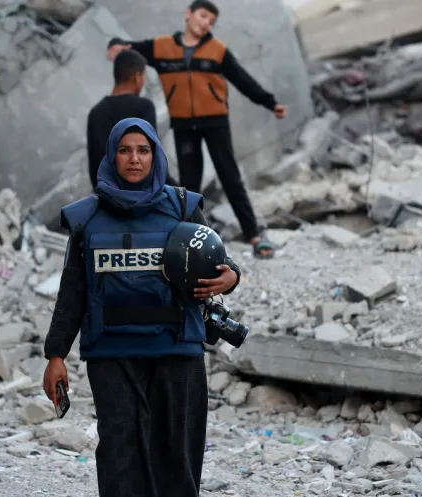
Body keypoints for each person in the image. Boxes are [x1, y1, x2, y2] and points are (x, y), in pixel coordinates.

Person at [42, 117, 242, 497]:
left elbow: (221, 262)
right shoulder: (87, 218)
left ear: (155, 156)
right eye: (124, 150)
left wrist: (230, 277)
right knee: (120, 453)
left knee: (177, 455)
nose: (134, 159)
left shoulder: (182, 206)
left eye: (143, 150)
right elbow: (73, 288)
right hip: (112, 354)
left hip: (176, 350)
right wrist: (56, 354)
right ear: (112, 156)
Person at [105, 0, 287, 259]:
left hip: (215, 122)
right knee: (189, 185)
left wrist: (271, 103)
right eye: (203, 16)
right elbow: (130, 47)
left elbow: (243, 80)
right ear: (188, 15)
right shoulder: (162, 47)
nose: (206, 23)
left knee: (229, 177)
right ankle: (188, 239)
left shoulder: (217, 50)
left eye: (211, 21)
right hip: (184, 125)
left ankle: (254, 235)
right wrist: (114, 42)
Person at [87, 49, 179, 189]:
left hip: (108, 195)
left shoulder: (95, 113)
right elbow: (151, 158)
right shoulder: (143, 107)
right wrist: (179, 192)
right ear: (137, 77)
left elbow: (95, 165)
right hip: (139, 194)